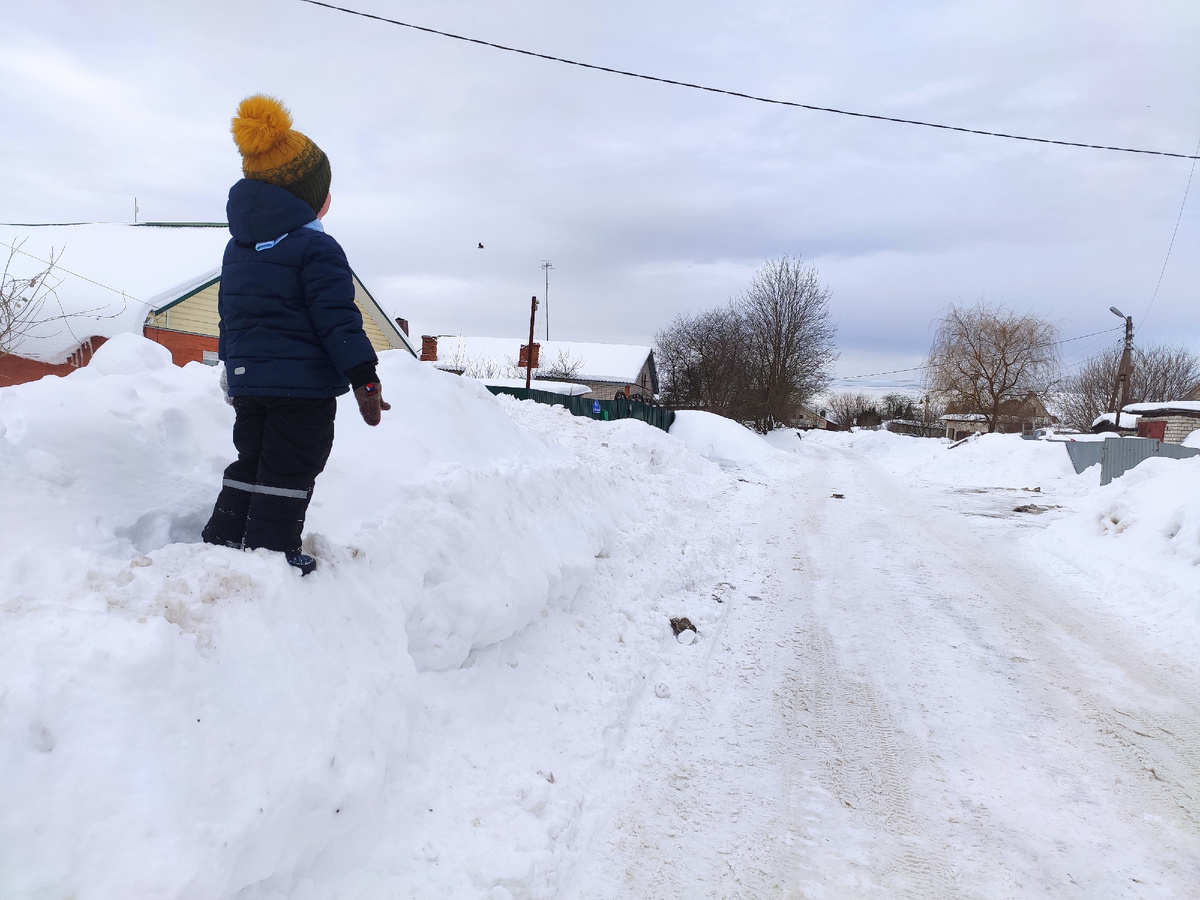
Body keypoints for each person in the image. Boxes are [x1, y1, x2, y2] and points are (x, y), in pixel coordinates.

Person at [201, 95, 389, 575]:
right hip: (300, 387)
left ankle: (224, 535)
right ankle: (270, 553)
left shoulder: (238, 248)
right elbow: (336, 318)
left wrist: (230, 368)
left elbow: (231, 314)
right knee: (289, 468)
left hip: (250, 381)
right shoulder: (315, 247)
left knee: (253, 459)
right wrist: (364, 376)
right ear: (308, 196)